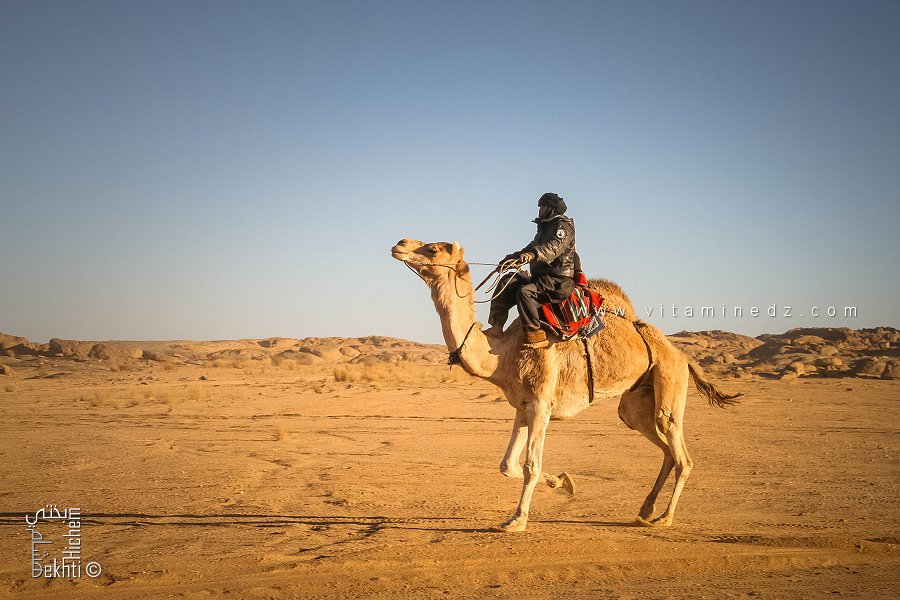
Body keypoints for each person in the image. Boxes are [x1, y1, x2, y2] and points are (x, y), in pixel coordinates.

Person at [484, 192, 577, 349]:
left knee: (525, 292)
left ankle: (535, 333)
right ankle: (497, 327)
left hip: (556, 280)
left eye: (542, 207)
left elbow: (554, 247)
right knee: (507, 282)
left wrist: (534, 255)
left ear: (550, 209)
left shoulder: (563, 227)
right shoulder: (544, 229)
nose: (539, 210)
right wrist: (509, 260)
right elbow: (531, 247)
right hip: (540, 278)